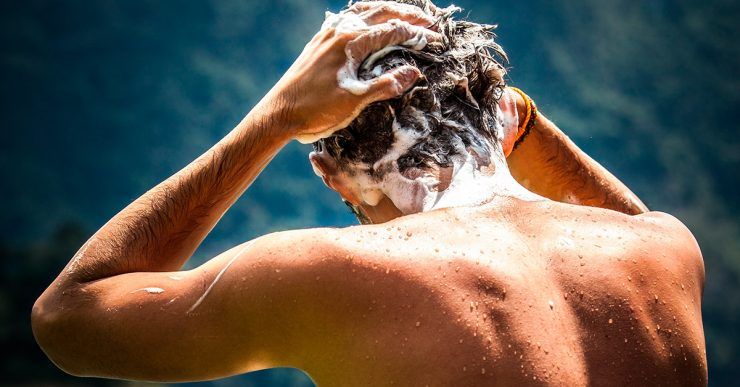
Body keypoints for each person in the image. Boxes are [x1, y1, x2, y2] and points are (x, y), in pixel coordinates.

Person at [32, 1, 707, 385]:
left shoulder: (328, 275)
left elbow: (69, 317)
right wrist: (513, 113)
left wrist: (274, 119)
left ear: (333, 175)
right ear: (505, 119)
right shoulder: (666, 253)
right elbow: (619, 217)